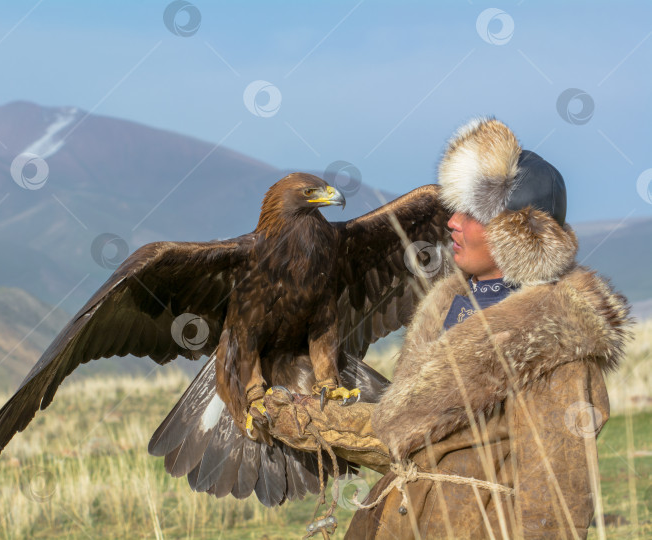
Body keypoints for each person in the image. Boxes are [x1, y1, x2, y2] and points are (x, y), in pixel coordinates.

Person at [265, 117, 631, 539]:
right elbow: (407, 435)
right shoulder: (446, 309)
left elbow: (556, 502)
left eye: (471, 212)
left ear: (517, 234)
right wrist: (300, 418)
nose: (452, 222)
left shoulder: (555, 341)